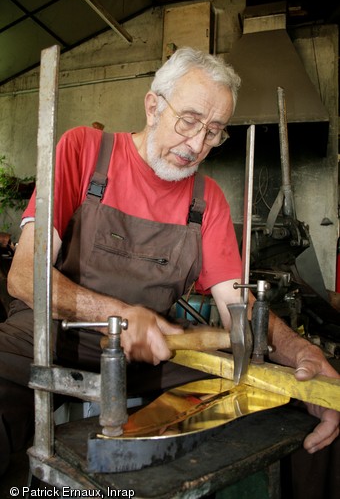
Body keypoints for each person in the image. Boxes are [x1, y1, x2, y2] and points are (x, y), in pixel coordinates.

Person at [0, 48, 339, 487]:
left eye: (214, 131)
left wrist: (306, 357)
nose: (198, 145)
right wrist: (118, 315)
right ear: (153, 105)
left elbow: (239, 306)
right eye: (189, 120)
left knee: (296, 404)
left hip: (152, 352)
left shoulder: (208, 200)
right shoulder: (85, 150)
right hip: (45, 336)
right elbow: (24, 276)